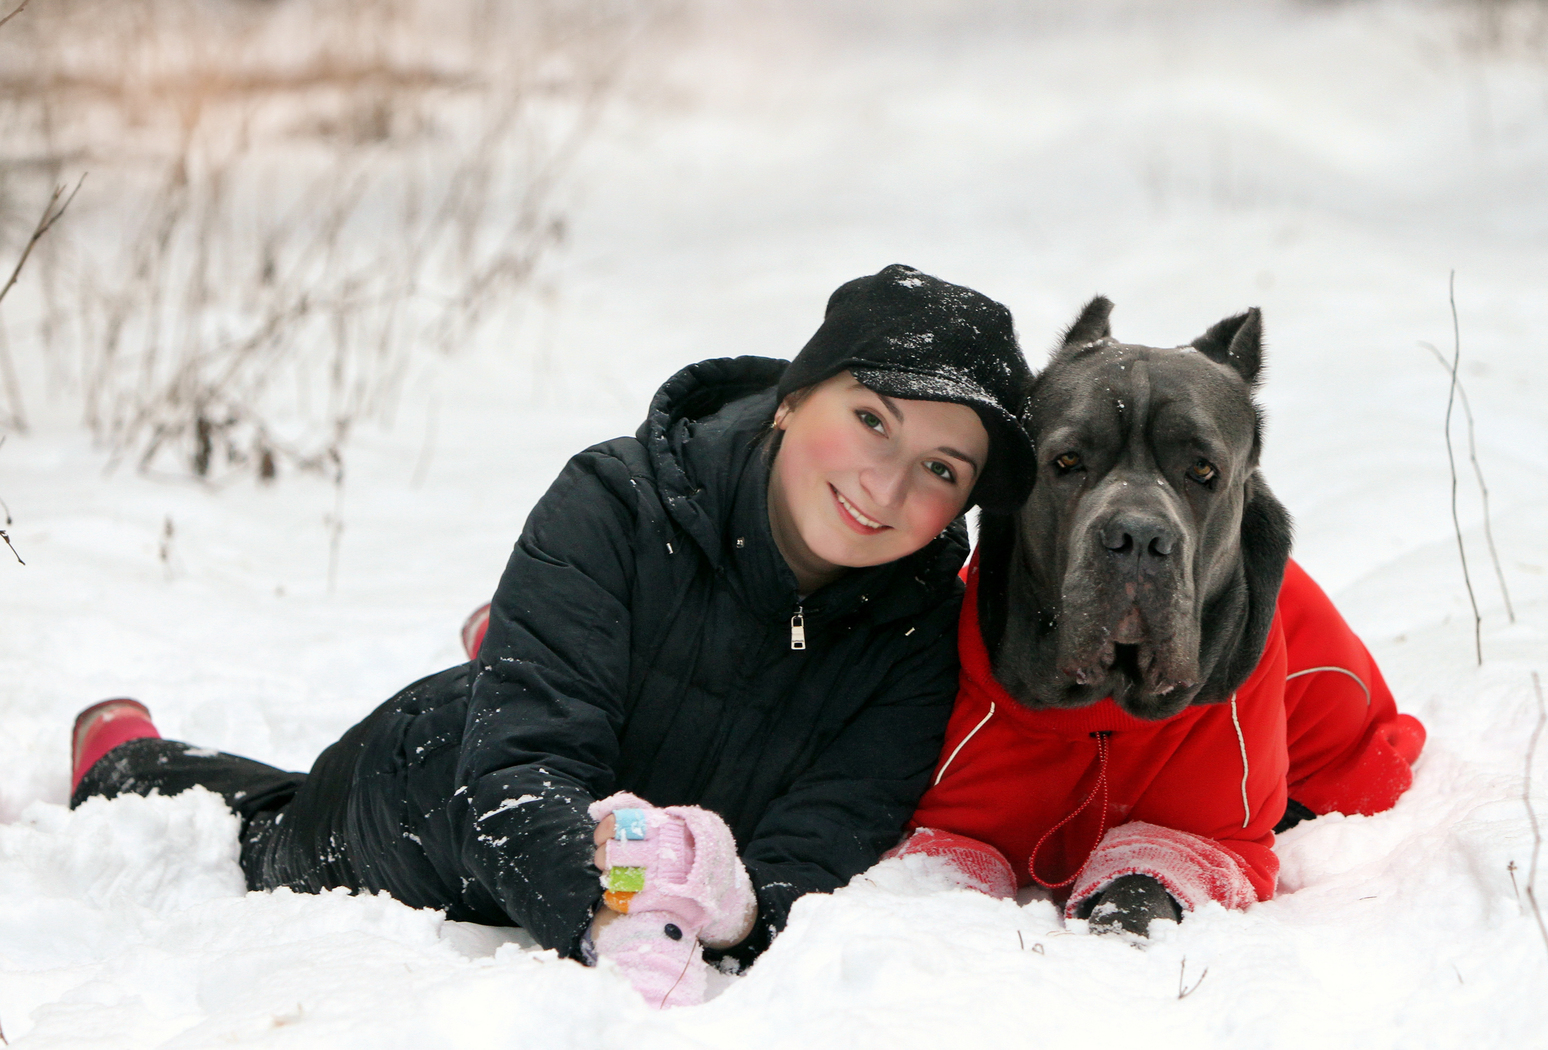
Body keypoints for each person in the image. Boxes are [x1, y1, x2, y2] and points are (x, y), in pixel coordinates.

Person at [68, 264, 1036, 1008]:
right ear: (793, 397)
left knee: (587, 700)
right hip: (431, 802)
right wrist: (612, 912)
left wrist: (740, 904)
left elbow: (832, 826)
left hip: (633, 788)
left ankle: (526, 644)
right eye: (870, 419)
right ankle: (124, 753)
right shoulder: (619, 504)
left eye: (941, 469)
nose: (886, 484)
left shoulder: (919, 627)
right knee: (257, 828)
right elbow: (517, 771)